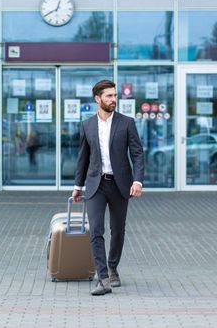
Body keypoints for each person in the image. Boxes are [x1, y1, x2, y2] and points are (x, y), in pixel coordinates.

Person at [72, 79, 144, 296]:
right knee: (96, 230)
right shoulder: (87, 125)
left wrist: (137, 181)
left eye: (115, 95)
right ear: (98, 99)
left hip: (120, 184)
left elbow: (137, 154)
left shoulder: (127, 123)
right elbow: (82, 158)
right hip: (96, 184)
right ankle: (102, 278)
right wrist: (78, 185)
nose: (114, 99)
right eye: (109, 96)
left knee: (118, 230)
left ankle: (113, 267)